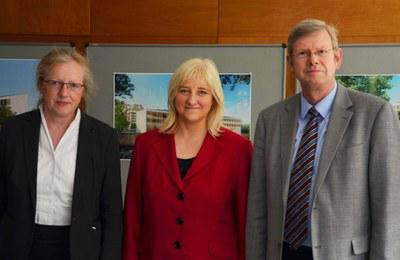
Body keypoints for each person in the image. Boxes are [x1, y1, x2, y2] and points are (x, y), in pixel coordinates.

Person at [246, 19, 400, 260]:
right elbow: (258, 205)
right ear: (290, 63)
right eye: (303, 53)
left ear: (337, 58)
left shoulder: (375, 114)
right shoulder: (270, 119)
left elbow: (389, 207)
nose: (313, 60)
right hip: (283, 252)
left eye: (321, 51)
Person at [123, 58, 252, 260]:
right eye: (184, 91)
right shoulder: (146, 145)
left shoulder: (239, 149)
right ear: (174, 95)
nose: (192, 100)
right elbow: (133, 216)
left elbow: (244, 220)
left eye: (202, 92)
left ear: (214, 99)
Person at [0, 47, 123, 260]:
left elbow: (111, 213)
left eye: (74, 85)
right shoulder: (12, 131)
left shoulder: (104, 138)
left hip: (80, 248)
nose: (64, 93)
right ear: (41, 85)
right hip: (18, 246)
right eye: (55, 83)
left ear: (83, 90)